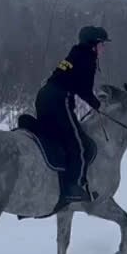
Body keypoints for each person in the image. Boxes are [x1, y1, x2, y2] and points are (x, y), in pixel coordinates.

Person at [36, 25, 109, 207]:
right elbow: (82, 89)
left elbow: (76, 84)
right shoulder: (88, 59)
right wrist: (98, 105)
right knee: (79, 144)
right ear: (93, 45)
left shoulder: (75, 54)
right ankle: (74, 187)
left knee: (57, 140)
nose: (103, 49)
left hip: (43, 96)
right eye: (102, 45)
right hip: (60, 100)